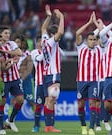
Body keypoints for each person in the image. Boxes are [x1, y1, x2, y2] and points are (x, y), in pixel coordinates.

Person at [41, 4, 64, 132]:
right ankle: (49, 126)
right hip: (53, 73)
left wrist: (49, 16)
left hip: (46, 74)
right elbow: (60, 32)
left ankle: (48, 126)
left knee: (48, 101)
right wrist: (61, 17)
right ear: (53, 35)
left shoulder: (44, 39)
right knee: (52, 98)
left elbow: (43, 28)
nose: (59, 38)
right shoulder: (51, 41)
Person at [0, 26, 24, 134]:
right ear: (0, 34)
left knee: (21, 100)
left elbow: (19, 53)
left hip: (15, 78)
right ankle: (1, 128)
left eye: (8, 33)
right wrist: (10, 59)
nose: (7, 35)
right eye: (5, 33)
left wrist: (5, 51)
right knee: (2, 103)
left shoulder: (11, 44)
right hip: (3, 79)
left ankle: (10, 120)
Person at [31, 35, 45, 132]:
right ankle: (36, 125)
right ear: (37, 43)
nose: (42, 43)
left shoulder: (50, 52)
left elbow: (62, 54)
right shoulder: (34, 52)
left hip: (49, 83)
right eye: (41, 42)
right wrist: (47, 50)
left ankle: (50, 125)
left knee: (50, 104)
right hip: (40, 82)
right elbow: (39, 59)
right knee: (39, 104)